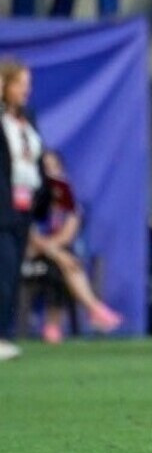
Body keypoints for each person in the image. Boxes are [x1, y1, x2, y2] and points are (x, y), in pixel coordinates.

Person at [25, 149, 123, 342]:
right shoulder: (29, 198)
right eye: (46, 169)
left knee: (61, 264)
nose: (51, 173)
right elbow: (27, 233)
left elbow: (68, 235)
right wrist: (54, 251)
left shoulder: (69, 202)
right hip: (30, 254)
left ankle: (55, 325)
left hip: (56, 254)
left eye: (55, 167)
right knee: (65, 261)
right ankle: (93, 309)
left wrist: (54, 250)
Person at [0, 58, 53, 362]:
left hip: (24, 206)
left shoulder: (28, 118)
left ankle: (4, 333)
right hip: (2, 205)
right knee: (4, 270)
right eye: (20, 84)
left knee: (13, 269)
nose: (26, 90)